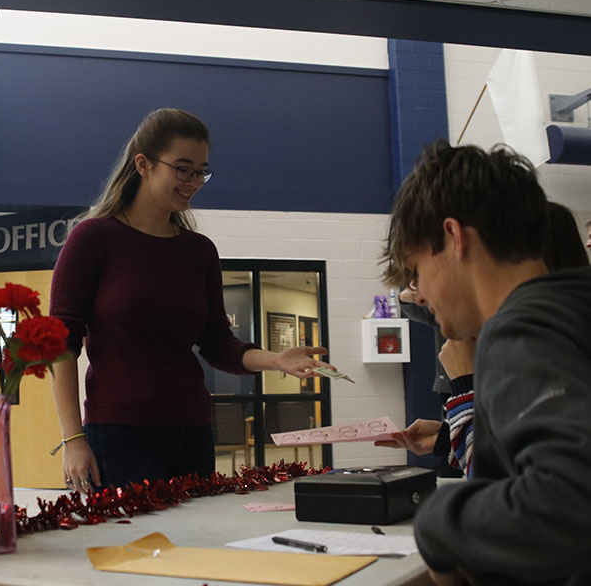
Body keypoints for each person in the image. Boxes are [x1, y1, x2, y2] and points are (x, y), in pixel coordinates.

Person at [49, 108, 333, 494]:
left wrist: (274, 360)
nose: (194, 181)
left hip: (194, 430)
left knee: (194, 547)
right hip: (119, 434)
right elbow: (60, 344)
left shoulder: (198, 251)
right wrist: (72, 438)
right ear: (143, 164)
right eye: (183, 169)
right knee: (133, 550)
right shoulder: (93, 239)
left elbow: (216, 342)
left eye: (201, 171)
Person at [380, 140, 591, 585]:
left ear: (454, 237)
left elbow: (570, 503)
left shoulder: (520, 330)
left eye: (417, 269)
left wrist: (439, 520)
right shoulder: (572, 309)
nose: (421, 293)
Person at [378, 200, 590, 479]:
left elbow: (503, 488)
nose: (418, 295)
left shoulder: (552, 350)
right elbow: (519, 446)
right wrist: (447, 437)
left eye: (421, 273)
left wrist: (467, 386)